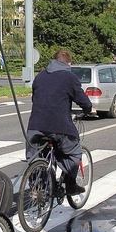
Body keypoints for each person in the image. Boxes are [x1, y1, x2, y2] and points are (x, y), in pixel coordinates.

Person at [26, 50, 92, 194]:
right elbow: (84, 101)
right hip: (59, 127)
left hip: (35, 127)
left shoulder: (40, 77)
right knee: (74, 152)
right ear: (69, 63)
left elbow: (35, 99)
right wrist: (88, 110)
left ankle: (37, 189)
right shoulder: (70, 77)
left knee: (34, 158)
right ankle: (70, 185)